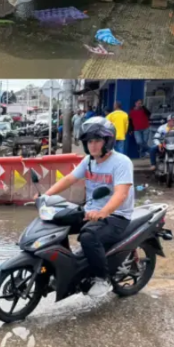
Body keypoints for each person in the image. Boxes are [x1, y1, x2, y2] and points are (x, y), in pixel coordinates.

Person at [41, 117, 134, 298]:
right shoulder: (89, 161)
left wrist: (102, 212)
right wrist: (46, 196)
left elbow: (121, 194)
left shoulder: (121, 162)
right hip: (91, 211)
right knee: (56, 219)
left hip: (116, 216)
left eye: (97, 140)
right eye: (89, 141)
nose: (93, 145)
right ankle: (65, 267)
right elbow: (70, 178)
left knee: (88, 236)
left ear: (108, 141)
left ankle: (102, 279)